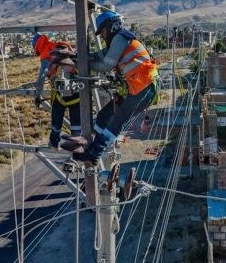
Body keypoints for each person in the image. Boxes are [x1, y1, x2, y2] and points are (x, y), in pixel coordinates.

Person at [65, 11, 159, 164]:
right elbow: (99, 55)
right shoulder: (117, 41)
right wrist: (80, 56)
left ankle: (94, 153)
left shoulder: (121, 38)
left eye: (102, 31)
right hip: (136, 88)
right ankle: (88, 141)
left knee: (116, 121)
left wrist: (82, 63)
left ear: (110, 27)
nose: (101, 36)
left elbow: (105, 65)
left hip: (143, 88)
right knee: (104, 115)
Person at [32, 34, 82, 149]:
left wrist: (37, 96)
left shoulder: (46, 53)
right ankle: (77, 143)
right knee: (76, 119)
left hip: (60, 92)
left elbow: (42, 77)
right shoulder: (60, 45)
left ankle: (54, 142)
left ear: (37, 46)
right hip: (77, 89)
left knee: (56, 118)